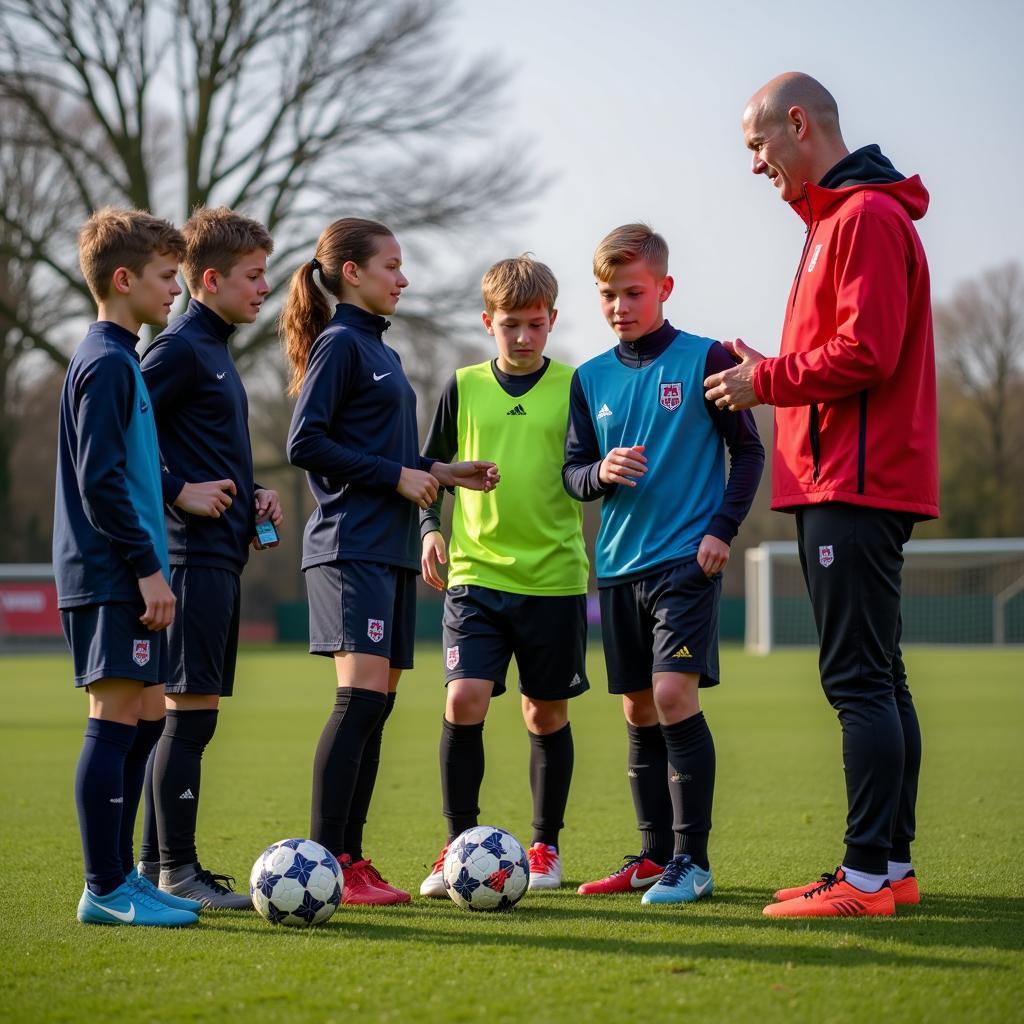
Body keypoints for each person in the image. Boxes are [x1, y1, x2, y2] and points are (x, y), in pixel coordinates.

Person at [704, 72, 937, 918]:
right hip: (849, 478)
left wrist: (762, 379)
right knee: (881, 676)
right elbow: (840, 354)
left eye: (758, 145)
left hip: (856, 482)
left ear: (798, 123)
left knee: (858, 682)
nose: (756, 164)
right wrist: (764, 364)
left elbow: (866, 355)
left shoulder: (865, 217)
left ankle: (866, 875)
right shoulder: (840, 221)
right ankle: (894, 869)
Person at [283, 217, 500, 904]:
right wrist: (395, 476)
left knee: (376, 707)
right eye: (391, 266)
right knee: (358, 702)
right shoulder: (340, 344)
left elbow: (392, 461)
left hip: (392, 551)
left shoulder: (383, 350)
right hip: (351, 547)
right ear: (352, 272)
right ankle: (328, 863)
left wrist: (443, 470)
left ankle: (351, 857)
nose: (403, 279)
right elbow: (304, 442)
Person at [564, 223, 763, 906]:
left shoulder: (706, 359)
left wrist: (722, 530)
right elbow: (572, 472)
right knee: (639, 707)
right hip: (618, 567)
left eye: (634, 292)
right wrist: (600, 473)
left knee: (675, 696)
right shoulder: (588, 378)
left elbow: (750, 452)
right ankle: (652, 858)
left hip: (687, 561)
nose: (621, 305)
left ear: (664, 288)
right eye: (609, 294)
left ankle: (693, 861)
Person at [417, 255, 590, 897]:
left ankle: (545, 847)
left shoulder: (575, 385)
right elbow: (428, 469)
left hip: (554, 578)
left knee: (543, 715)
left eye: (535, 325)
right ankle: (458, 846)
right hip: (475, 575)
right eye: (510, 324)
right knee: (463, 699)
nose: (523, 337)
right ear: (488, 321)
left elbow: (584, 469)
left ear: (551, 322)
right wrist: (431, 529)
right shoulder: (462, 385)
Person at [54, 207, 199, 926]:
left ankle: (119, 880)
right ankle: (104, 888)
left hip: (127, 572)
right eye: (167, 276)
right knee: (115, 716)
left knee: (143, 715)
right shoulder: (107, 363)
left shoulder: (123, 358)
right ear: (124, 280)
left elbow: (136, 471)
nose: (176, 289)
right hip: (112, 574)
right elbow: (101, 481)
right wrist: (147, 567)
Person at [138, 206, 282, 909]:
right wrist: (179, 492)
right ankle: (178, 871)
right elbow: (121, 439)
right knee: (189, 716)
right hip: (189, 558)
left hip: (220, 556)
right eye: (254, 276)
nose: (265, 288)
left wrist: (251, 497)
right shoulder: (178, 348)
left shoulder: (217, 348)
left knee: (187, 717)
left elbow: (198, 448)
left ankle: (152, 872)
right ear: (211, 279)